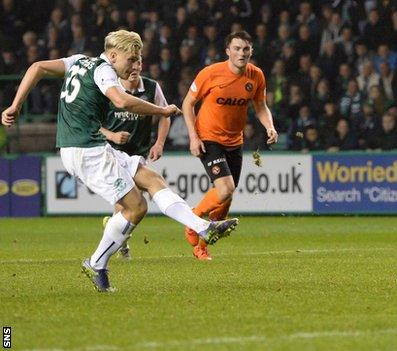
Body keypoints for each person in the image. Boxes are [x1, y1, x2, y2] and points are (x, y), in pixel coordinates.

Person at [1, 30, 238, 292]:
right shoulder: (104, 71)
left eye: (138, 59)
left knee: (151, 179)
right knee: (136, 207)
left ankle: (202, 227)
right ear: (113, 55)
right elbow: (122, 101)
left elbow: (37, 67)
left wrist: (15, 104)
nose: (134, 65)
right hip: (85, 151)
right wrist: (162, 110)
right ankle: (97, 263)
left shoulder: (79, 61)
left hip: (90, 146)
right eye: (131, 59)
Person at [182, 31, 278, 261]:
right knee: (225, 189)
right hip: (209, 138)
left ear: (251, 51)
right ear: (228, 51)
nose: (241, 53)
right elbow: (188, 103)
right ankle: (192, 219)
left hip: (235, 141)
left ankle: (201, 247)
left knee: (225, 201)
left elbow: (261, 106)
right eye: (236, 48)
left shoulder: (256, 76)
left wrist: (270, 127)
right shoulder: (211, 73)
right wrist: (193, 137)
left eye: (245, 49)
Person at [99, 58, 171, 260]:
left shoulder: (151, 87)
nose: (134, 68)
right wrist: (112, 135)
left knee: (132, 205)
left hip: (138, 153)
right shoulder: (109, 88)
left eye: (138, 63)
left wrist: (159, 143)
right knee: (129, 203)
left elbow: (165, 114)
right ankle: (120, 245)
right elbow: (92, 123)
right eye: (130, 64)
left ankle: (116, 231)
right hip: (113, 154)